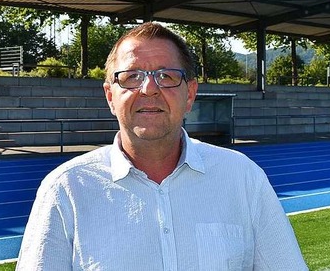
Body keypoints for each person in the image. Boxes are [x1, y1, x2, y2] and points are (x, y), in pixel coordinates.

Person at [16, 22, 307, 271]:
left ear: (190, 94)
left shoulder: (243, 177)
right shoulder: (66, 189)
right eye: (132, 77)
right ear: (109, 96)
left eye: (166, 76)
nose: (149, 89)